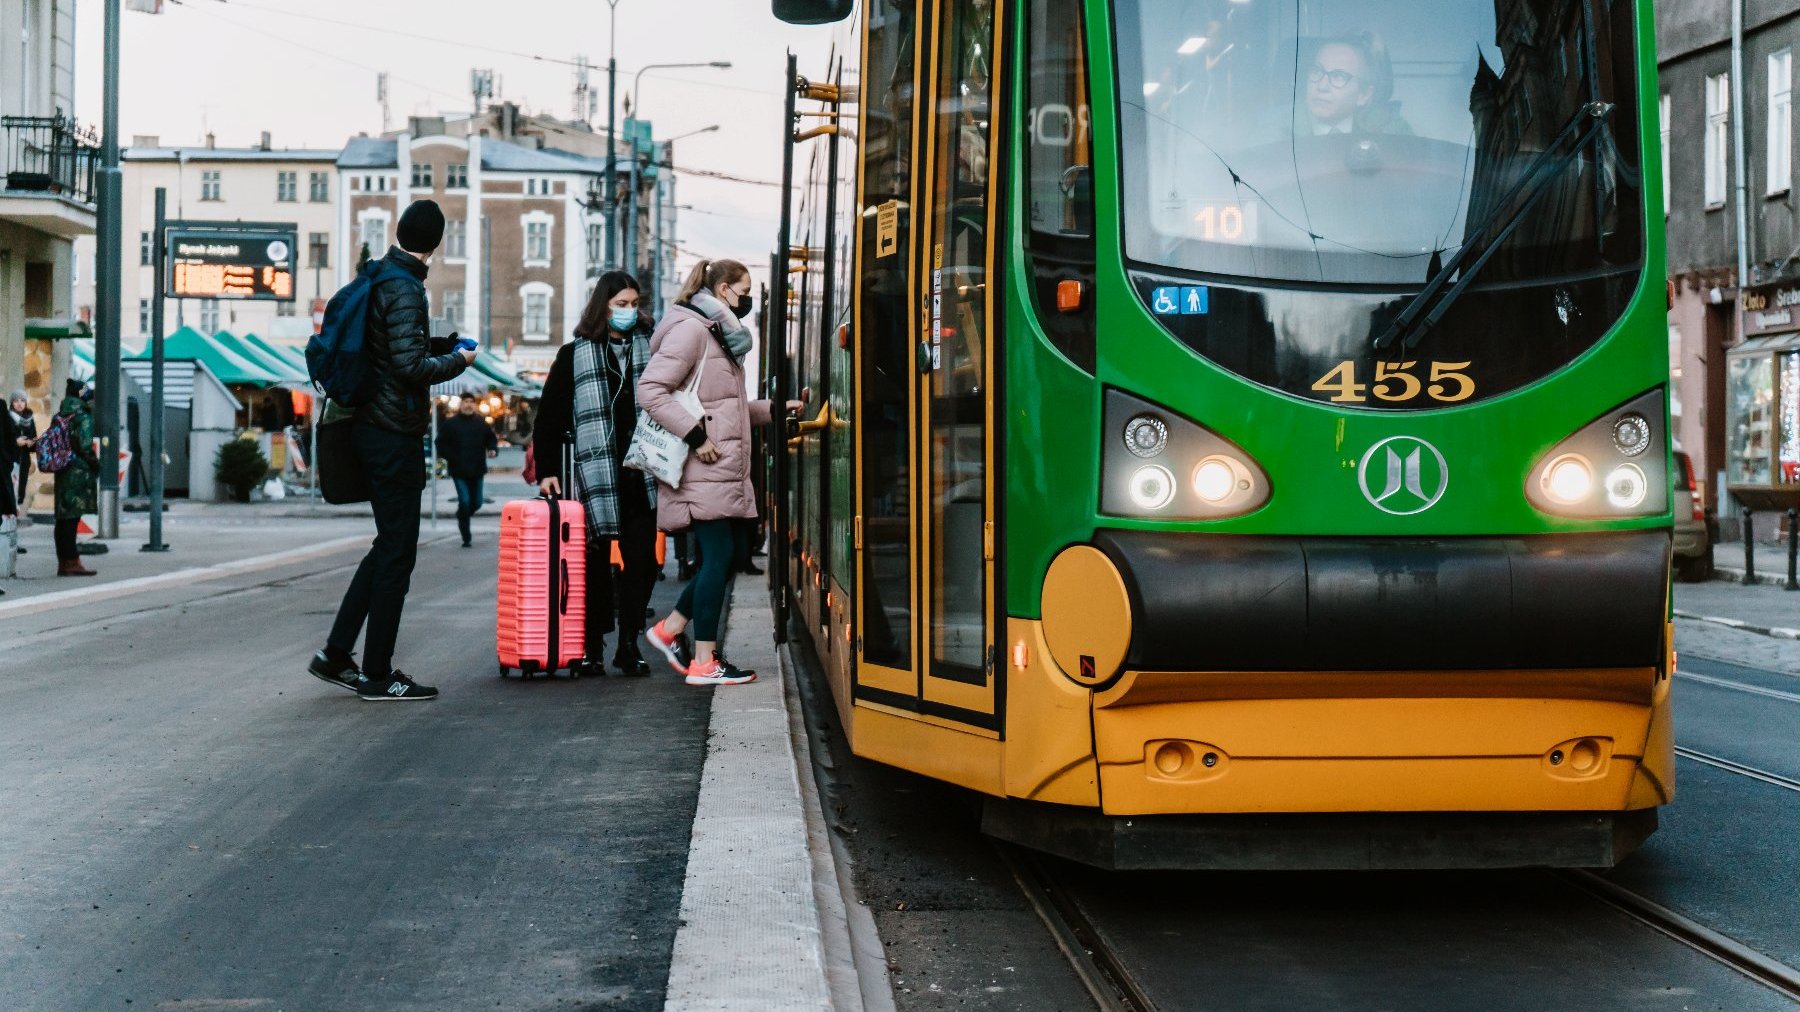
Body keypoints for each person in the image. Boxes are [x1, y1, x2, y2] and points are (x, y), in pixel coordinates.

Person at [310, 198, 474, 701]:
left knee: (387, 546)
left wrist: (441, 344)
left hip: (370, 428)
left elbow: (394, 351)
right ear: (436, 244)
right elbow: (408, 367)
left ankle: (337, 654)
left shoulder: (379, 278)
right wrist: (459, 362)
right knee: (397, 553)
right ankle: (377, 675)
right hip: (391, 436)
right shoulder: (405, 289)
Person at [639, 259, 802, 686]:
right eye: (743, 291)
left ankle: (670, 629)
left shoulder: (718, 335)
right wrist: (696, 438)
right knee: (717, 559)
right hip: (700, 468)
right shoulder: (692, 330)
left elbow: (724, 409)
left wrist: (773, 410)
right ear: (725, 289)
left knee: (724, 556)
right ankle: (704, 662)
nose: (746, 300)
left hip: (717, 468)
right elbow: (650, 391)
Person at [533, 271, 659, 677]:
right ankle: (592, 645)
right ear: (602, 307)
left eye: (633, 304)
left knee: (642, 563)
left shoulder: (652, 348)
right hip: (596, 475)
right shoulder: (575, 353)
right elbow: (549, 415)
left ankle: (628, 643)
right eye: (620, 304)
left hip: (641, 471)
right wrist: (548, 470)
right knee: (593, 561)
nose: (629, 311)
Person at [1300, 31, 1408, 136]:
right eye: (1317, 71)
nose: (1322, 86)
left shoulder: (1391, 130)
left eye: (1339, 76)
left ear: (1364, 95)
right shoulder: (1283, 128)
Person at [436, 396, 499, 547]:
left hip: (477, 469)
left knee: (476, 503)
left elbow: (491, 439)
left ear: (475, 405)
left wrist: (492, 449)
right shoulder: (451, 424)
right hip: (459, 470)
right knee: (464, 501)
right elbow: (440, 443)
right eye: (466, 402)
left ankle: (461, 515)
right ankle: (466, 536)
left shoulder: (481, 423)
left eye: (471, 402)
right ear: (461, 404)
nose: (468, 405)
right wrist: (452, 457)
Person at [52, 379, 98, 578]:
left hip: (62, 469)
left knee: (63, 519)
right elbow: (85, 445)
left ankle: (64, 561)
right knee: (72, 519)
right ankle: (72, 562)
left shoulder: (61, 414)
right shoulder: (82, 416)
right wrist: (95, 464)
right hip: (78, 471)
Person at [10, 391, 35, 515]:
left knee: (21, 489)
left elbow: (33, 437)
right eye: (16, 401)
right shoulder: (7, 417)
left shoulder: (29, 417)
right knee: (11, 487)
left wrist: (31, 442)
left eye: (22, 401)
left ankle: (16, 512)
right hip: (11, 458)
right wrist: (16, 442)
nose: (19, 404)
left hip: (24, 458)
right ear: (12, 403)